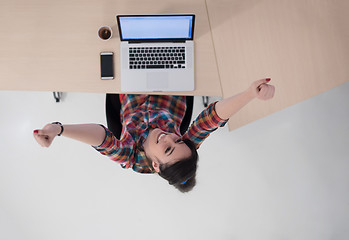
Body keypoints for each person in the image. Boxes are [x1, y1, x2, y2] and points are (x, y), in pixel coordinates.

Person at [33, 78, 275, 192]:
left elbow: (103, 139)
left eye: (168, 148)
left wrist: (59, 129)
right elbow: (211, 119)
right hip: (172, 80)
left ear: (156, 165)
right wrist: (250, 93)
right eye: (178, 140)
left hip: (131, 80)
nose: (169, 137)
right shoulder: (187, 149)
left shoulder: (133, 159)